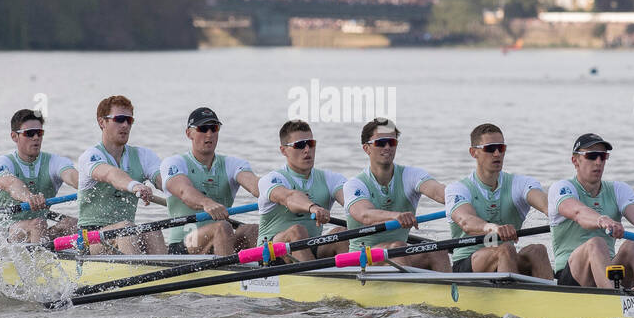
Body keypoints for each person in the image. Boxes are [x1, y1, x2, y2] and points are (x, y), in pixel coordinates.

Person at [548, 133, 634, 288]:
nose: (598, 162)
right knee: (596, 243)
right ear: (575, 160)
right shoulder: (562, 188)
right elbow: (578, 212)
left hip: (607, 270)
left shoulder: (618, 189)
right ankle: (613, 301)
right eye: (592, 156)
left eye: (603, 156)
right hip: (571, 276)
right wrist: (602, 220)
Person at [445, 123, 552, 278]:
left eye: (501, 148)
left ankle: (549, 300)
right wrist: (492, 228)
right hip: (469, 263)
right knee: (506, 250)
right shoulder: (457, 189)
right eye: (490, 148)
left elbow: (546, 205)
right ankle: (511, 299)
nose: (497, 154)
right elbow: (466, 222)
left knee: (538, 250)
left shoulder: (519, 184)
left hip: (506, 260)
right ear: (473, 152)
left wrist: (559, 212)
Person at [343, 118, 449, 271]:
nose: (387, 147)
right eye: (381, 143)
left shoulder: (411, 175)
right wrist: (395, 216)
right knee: (397, 248)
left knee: (437, 251)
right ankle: (408, 291)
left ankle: (451, 291)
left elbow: (440, 193)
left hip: (398, 254)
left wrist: (461, 201)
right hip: (361, 259)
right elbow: (365, 215)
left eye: (392, 142)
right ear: (366, 149)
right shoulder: (355, 184)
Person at [159, 107, 260, 256]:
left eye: (214, 128)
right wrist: (207, 203)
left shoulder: (232, 164)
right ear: (189, 133)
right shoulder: (174, 163)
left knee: (252, 230)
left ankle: (267, 276)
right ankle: (228, 276)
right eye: (203, 129)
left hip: (221, 241)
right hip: (186, 245)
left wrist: (277, 193)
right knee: (222, 227)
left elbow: (256, 186)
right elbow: (184, 191)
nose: (209, 134)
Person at [76, 96, 164, 254]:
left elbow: (165, 181)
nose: (125, 125)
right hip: (90, 240)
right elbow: (110, 174)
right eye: (119, 119)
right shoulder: (90, 156)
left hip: (124, 234)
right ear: (102, 122)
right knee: (125, 228)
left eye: (129, 120)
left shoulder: (143, 155)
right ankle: (136, 274)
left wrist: (185, 194)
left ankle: (164, 277)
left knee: (153, 229)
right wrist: (134, 185)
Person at [257, 120, 348, 258]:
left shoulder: (330, 179)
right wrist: (313, 208)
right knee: (297, 232)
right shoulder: (271, 180)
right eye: (299, 145)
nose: (307, 150)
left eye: (310, 144)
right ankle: (315, 277)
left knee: (342, 233)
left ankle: (350, 277)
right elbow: (290, 198)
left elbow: (352, 201)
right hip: (269, 254)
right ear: (283, 150)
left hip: (310, 248)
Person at [0, 109, 79, 243]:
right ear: (14, 136)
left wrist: (85, 184)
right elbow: (10, 183)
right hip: (5, 236)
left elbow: (71, 176)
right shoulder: (2, 163)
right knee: (38, 224)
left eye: (39, 133)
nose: (36, 137)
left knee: (75, 224)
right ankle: (40, 261)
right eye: (30, 133)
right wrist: (28, 197)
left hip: (39, 230)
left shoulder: (54, 162)